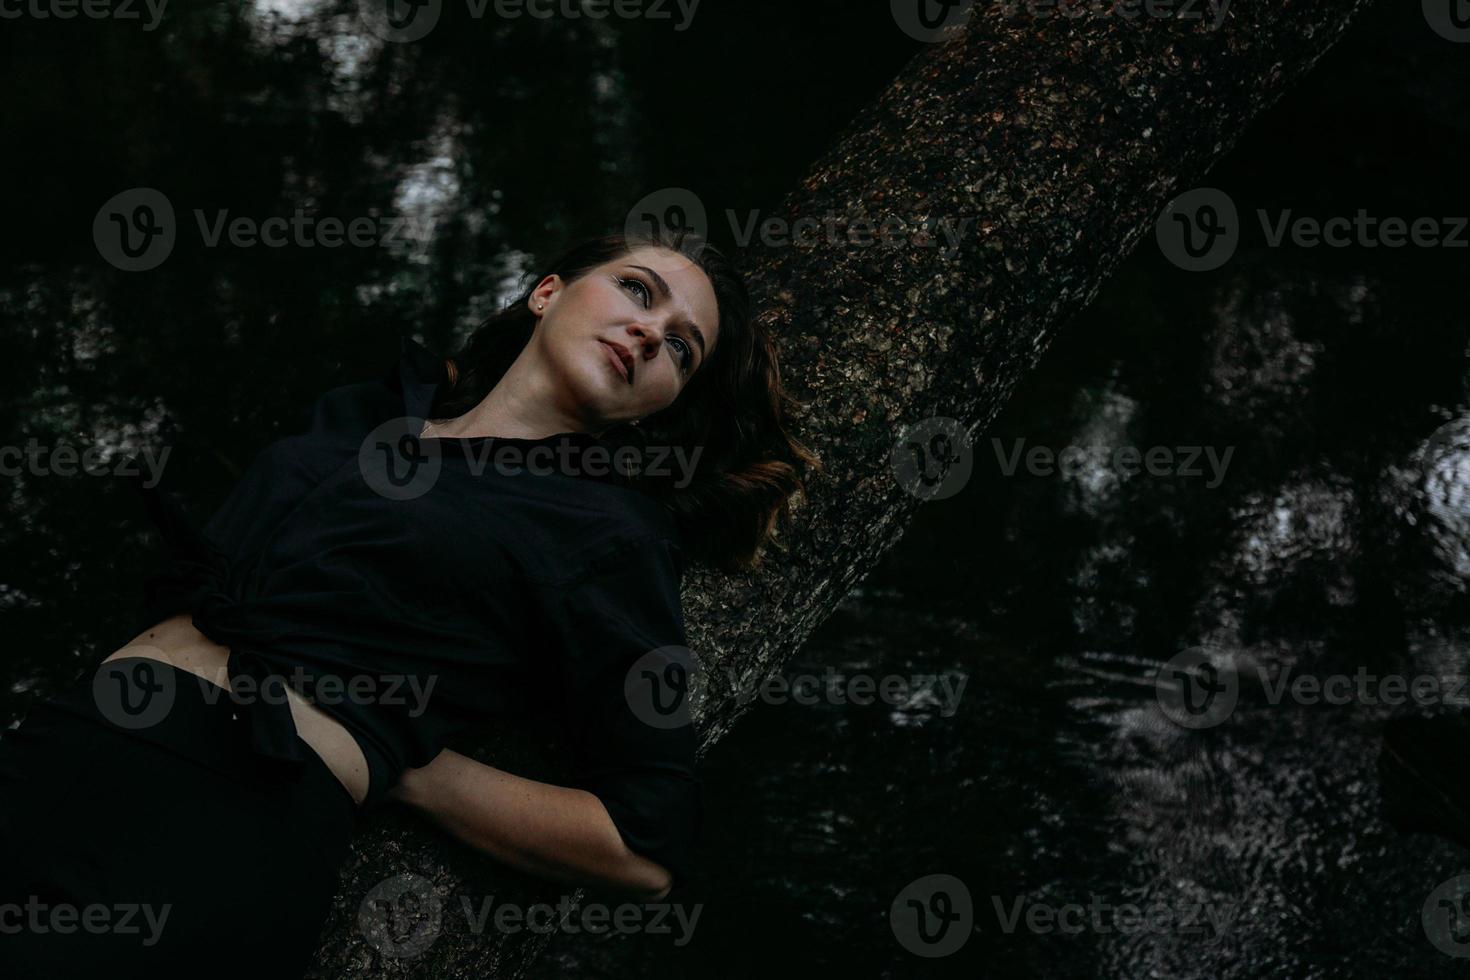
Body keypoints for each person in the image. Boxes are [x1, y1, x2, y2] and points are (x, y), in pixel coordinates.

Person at [0, 230, 820, 978]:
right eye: (638, 291)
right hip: (63, 742)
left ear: (662, 400)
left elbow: (644, 842)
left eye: (681, 348)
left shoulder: (607, 533)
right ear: (547, 292)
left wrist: (408, 769)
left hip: (232, 812)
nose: (650, 332)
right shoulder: (365, 413)